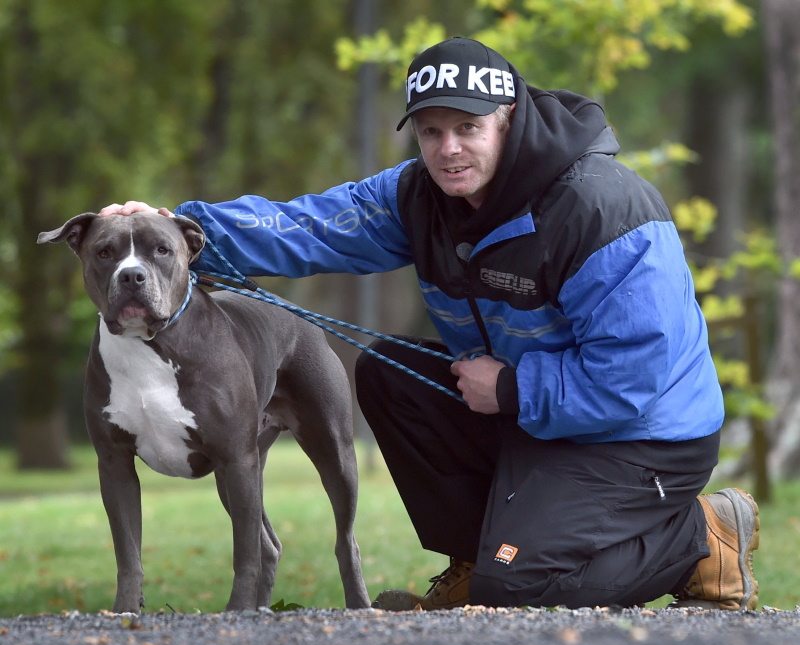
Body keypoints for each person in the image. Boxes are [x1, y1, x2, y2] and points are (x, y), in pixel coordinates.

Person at [100, 37, 760, 611]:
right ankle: (480, 559)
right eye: (430, 132)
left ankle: (700, 541)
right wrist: (178, 228)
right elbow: (309, 225)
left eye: (467, 129)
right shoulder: (419, 196)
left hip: (641, 437)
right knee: (390, 373)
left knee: (522, 587)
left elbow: (636, 377)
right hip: (535, 412)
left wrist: (513, 390)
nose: (448, 150)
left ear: (508, 118)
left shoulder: (600, 209)